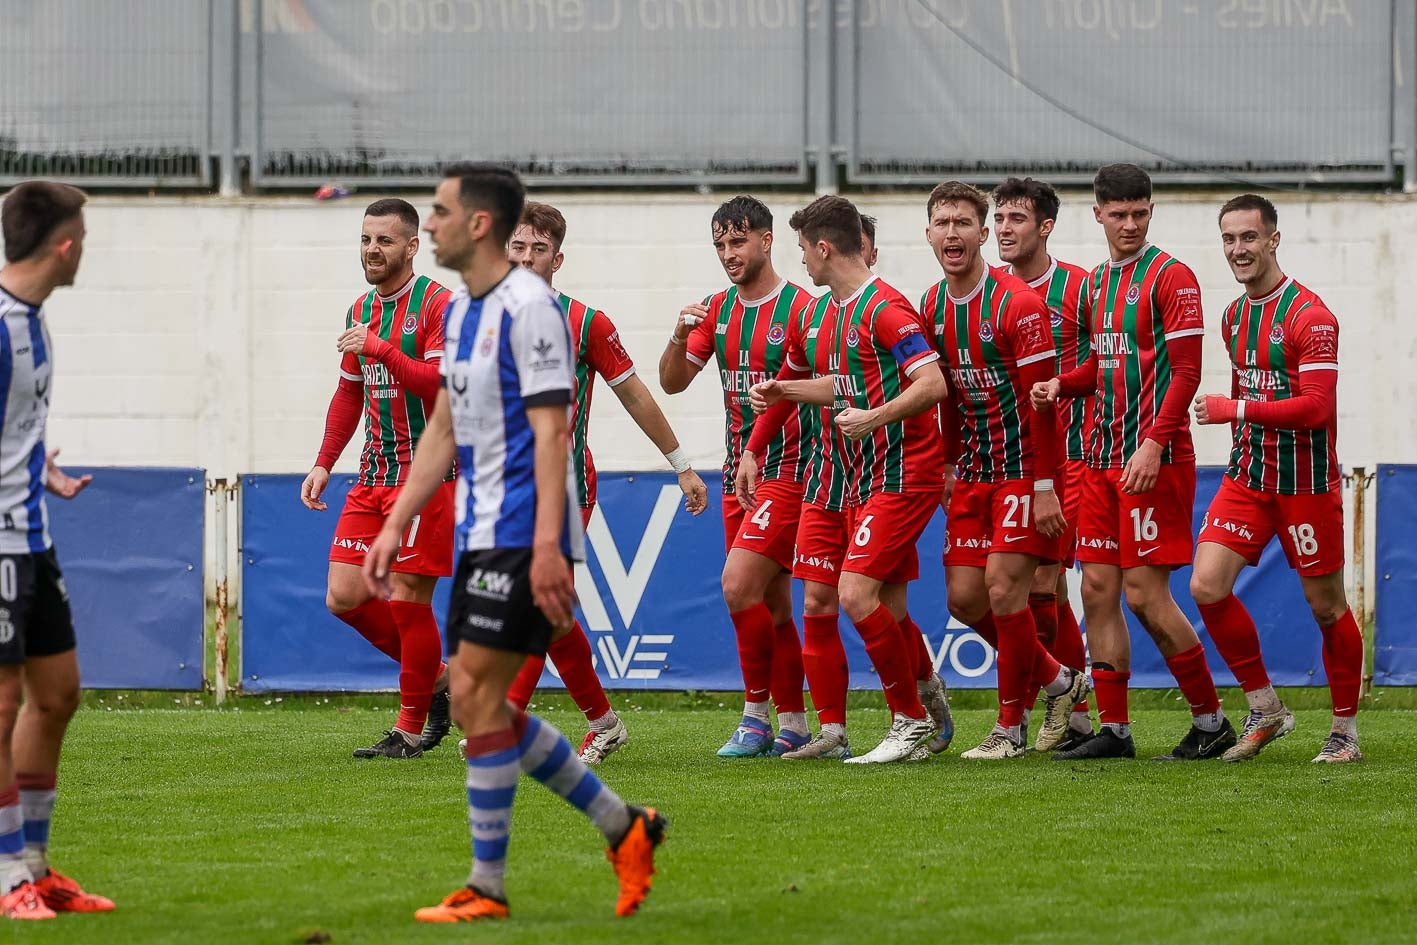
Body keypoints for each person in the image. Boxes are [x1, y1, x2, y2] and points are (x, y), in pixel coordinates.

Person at [364, 163, 665, 923]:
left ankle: (488, 884)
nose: (425, 225)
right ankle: (624, 828)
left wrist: (546, 545)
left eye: (437, 212)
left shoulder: (531, 308)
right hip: (477, 529)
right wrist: (399, 518)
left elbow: (552, 427)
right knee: (475, 702)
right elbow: (443, 424)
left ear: (479, 224)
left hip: (519, 531)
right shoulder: (464, 309)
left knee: (476, 700)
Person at [1034, 164, 1233, 761]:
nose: (1128, 224)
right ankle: (1116, 730)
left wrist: (1152, 443)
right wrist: (1061, 386)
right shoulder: (1095, 284)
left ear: (1150, 212)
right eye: (1117, 214)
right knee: (1096, 589)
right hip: (1098, 459)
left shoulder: (1173, 278)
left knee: (1146, 595)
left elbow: (1189, 372)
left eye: (1139, 213)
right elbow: (1102, 366)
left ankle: (1211, 719)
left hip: (1155, 459)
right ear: (1097, 214)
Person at [738, 215, 952, 761]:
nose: (802, 259)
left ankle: (910, 717)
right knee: (825, 598)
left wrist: (875, 418)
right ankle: (837, 732)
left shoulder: (886, 309)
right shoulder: (828, 312)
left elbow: (932, 385)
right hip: (845, 475)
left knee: (858, 594)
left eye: (804, 249)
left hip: (901, 471)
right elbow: (845, 380)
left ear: (825, 247)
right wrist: (785, 389)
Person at [505, 202, 707, 763]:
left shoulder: (587, 324)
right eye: (517, 247)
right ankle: (605, 722)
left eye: (538, 250)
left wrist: (682, 464)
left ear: (557, 258)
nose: (525, 259)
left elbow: (636, 395)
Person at [918, 181, 1089, 760]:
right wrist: (945, 461)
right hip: (972, 472)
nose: (952, 234)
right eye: (942, 224)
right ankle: (1061, 682)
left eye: (963, 223)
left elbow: (1042, 404)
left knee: (1007, 590)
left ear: (982, 234)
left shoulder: (1018, 304)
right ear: (929, 235)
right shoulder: (932, 306)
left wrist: (1046, 486)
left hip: (1024, 471)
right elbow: (944, 395)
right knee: (965, 600)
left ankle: (1009, 727)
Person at [1190, 194, 1363, 763]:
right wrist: (1237, 414)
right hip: (1247, 477)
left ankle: (1344, 733)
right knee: (1206, 586)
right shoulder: (1233, 316)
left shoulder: (1310, 317)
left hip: (1305, 484)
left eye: (1248, 238)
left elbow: (1315, 407)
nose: (1238, 250)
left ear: (1273, 240)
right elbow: (1256, 390)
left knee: (1326, 607)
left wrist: (1232, 410)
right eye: (1229, 239)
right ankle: (1266, 709)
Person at [658, 196, 812, 757]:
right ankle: (793, 723)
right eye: (720, 244)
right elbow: (672, 383)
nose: (729, 254)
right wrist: (678, 333)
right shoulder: (718, 311)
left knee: (736, 584)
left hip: (790, 471)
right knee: (770, 605)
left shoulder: (801, 309)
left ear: (766, 242)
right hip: (738, 475)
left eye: (738, 242)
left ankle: (754, 716)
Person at [300, 198, 453, 759]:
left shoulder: (438, 305)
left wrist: (381, 347)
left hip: (427, 473)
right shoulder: (359, 310)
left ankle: (410, 728)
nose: (372, 250)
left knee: (411, 596)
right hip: (373, 473)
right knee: (344, 595)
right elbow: (350, 393)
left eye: (385, 240)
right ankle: (439, 677)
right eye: (366, 239)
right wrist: (323, 461)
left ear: (412, 247)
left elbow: (441, 388)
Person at [0, 180, 113, 919]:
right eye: (84, 237)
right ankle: (8, 874)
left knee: (59, 692)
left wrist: (40, 468)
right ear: (65, 245)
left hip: (32, 535)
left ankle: (37, 866)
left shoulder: (32, 320)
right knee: (3, 702)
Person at [992, 177, 1096, 751]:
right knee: (1036, 593)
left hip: (1071, 456)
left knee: (1042, 581)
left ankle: (1061, 707)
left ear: (1046, 227)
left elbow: (1112, 363)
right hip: (1010, 460)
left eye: (1017, 219)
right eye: (1000, 218)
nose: (1005, 229)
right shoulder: (988, 292)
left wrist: (1063, 388)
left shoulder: (1079, 289)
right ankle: (1071, 704)